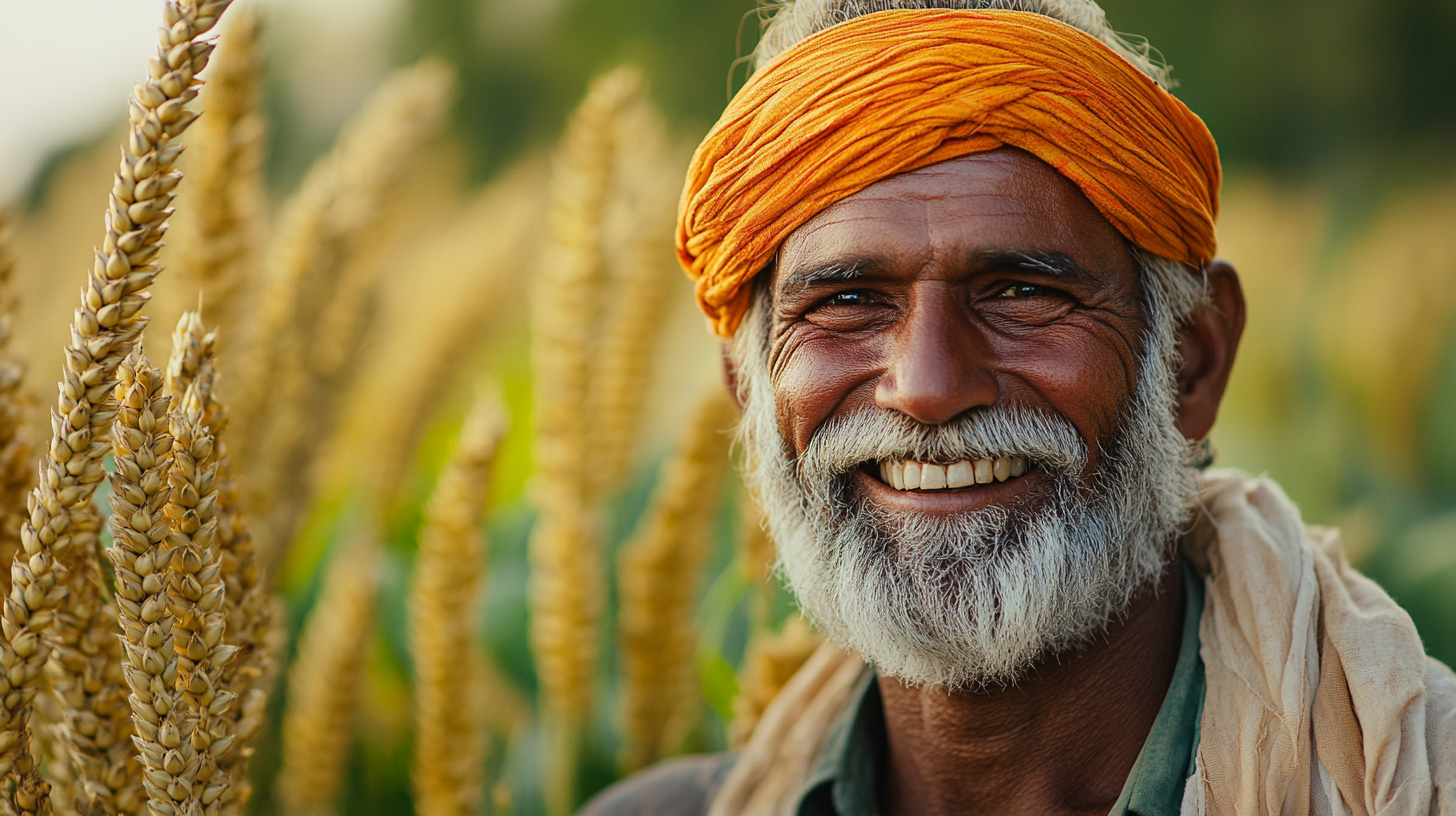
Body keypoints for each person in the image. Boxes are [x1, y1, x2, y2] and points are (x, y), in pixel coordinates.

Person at [583, 2, 1456, 814]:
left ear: (1193, 362)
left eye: (1019, 292)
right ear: (750, 390)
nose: (926, 387)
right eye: (847, 303)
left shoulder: (1416, 779)